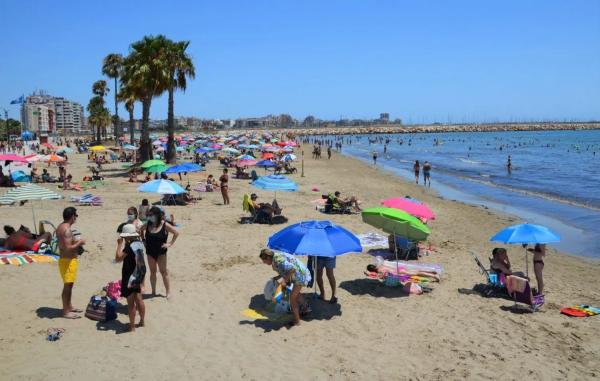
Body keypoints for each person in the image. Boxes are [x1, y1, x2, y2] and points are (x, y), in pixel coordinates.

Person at [259, 248, 311, 327]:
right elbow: (285, 269)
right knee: (295, 293)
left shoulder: (279, 261)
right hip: (300, 273)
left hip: (300, 275)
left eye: (264, 261)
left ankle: (297, 321)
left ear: (268, 258)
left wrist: (284, 280)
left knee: (292, 299)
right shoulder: (276, 257)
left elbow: (292, 269)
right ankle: (306, 308)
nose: (264, 263)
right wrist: (278, 277)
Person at [141, 206, 179, 299]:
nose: (150, 217)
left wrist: (170, 243)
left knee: (163, 272)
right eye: (149, 215)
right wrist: (143, 240)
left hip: (161, 252)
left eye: (151, 215)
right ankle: (153, 292)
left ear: (157, 215)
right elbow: (140, 230)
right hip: (150, 252)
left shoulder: (164, 224)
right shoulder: (147, 224)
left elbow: (176, 233)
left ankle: (168, 292)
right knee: (152, 272)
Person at [114, 224, 146, 332]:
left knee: (131, 302)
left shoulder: (128, 246)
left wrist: (119, 245)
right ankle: (142, 321)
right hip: (139, 273)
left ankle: (132, 327)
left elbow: (118, 258)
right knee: (139, 299)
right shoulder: (139, 243)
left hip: (130, 275)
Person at [56, 207, 86, 319]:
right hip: (68, 261)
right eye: (76, 215)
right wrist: (80, 243)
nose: (76, 217)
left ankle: (69, 306)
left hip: (64, 260)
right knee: (68, 286)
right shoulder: (67, 230)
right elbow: (68, 248)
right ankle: (65, 311)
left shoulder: (61, 226)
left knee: (69, 285)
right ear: (72, 216)